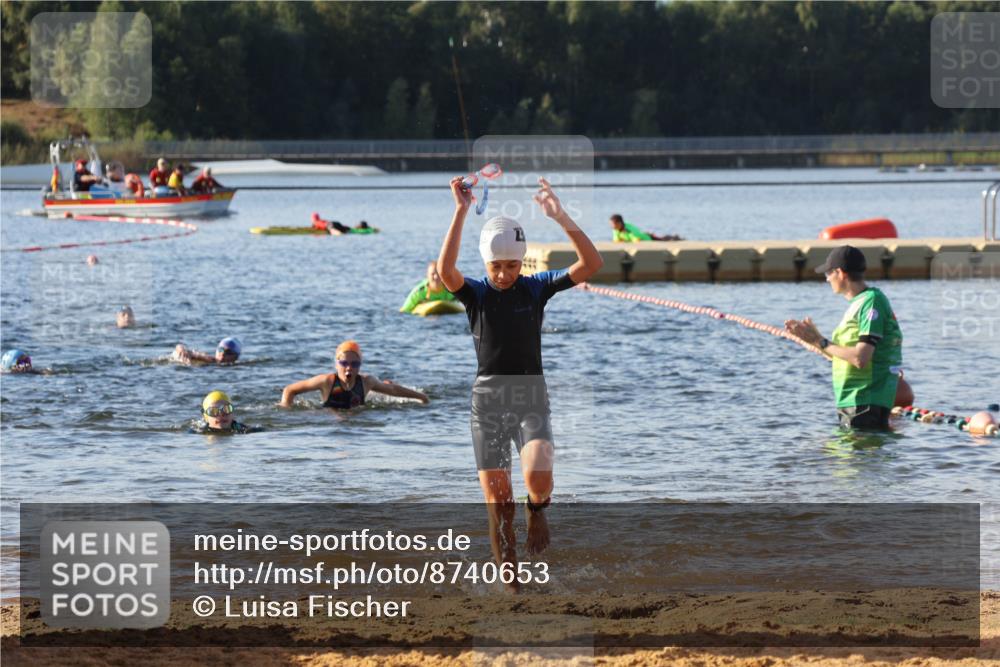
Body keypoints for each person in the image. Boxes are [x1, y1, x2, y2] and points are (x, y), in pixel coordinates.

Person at [437, 176, 603, 560]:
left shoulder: (536, 288)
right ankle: (510, 585)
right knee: (499, 505)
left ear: (522, 261)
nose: (503, 274)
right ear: (486, 263)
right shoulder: (476, 294)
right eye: (496, 266)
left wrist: (561, 216)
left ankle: (538, 509)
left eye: (512, 265)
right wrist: (461, 211)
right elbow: (446, 272)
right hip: (487, 403)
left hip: (530, 396)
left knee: (538, 476)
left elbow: (592, 263)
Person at [785, 245, 903, 431]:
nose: (826, 279)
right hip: (853, 402)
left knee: (851, 459)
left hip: (864, 403)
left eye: (828, 274)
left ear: (840, 273)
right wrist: (813, 340)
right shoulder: (859, 303)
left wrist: (820, 341)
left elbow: (860, 358)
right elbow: (843, 355)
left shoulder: (871, 301)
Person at [279, 340, 429, 409]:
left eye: (354, 364)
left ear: (360, 365)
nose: (349, 368)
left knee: (384, 388)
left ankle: (383, 384)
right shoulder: (326, 381)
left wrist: (421, 397)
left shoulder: (366, 382)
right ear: (336, 364)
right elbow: (289, 390)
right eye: (344, 364)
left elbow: (394, 391)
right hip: (331, 417)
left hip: (356, 413)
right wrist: (286, 407)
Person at [192, 390, 257, 434]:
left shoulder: (243, 429)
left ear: (232, 414)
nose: (221, 415)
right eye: (213, 411)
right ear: (206, 417)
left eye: (226, 409)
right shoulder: (199, 431)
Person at [609, 214, 682, 242]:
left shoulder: (628, 228)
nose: (611, 226)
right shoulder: (616, 230)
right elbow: (616, 240)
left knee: (663, 240)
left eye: (613, 224)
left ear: (619, 223)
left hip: (647, 239)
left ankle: (675, 237)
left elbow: (637, 238)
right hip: (644, 237)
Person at [173, 337, 241, 366]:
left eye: (228, 352)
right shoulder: (209, 359)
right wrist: (182, 350)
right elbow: (179, 347)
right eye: (220, 350)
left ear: (236, 357)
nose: (222, 354)